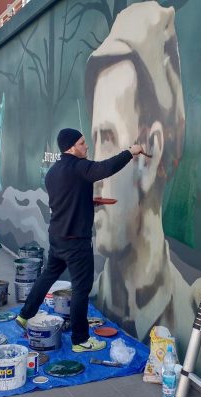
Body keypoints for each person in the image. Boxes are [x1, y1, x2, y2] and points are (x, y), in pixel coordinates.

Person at [84, 2, 201, 397]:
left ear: (150, 154)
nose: (94, 176)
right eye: (94, 141)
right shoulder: (92, 300)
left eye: (108, 139)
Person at [15, 128, 144, 353]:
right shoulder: (79, 167)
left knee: (47, 276)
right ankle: (80, 340)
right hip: (76, 240)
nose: (86, 146)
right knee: (81, 289)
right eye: (82, 143)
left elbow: (65, 199)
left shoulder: (53, 171)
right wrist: (130, 152)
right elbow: (105, 168)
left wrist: (88, 201)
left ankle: (24, 315)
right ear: (71, 147)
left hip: (57, 236)